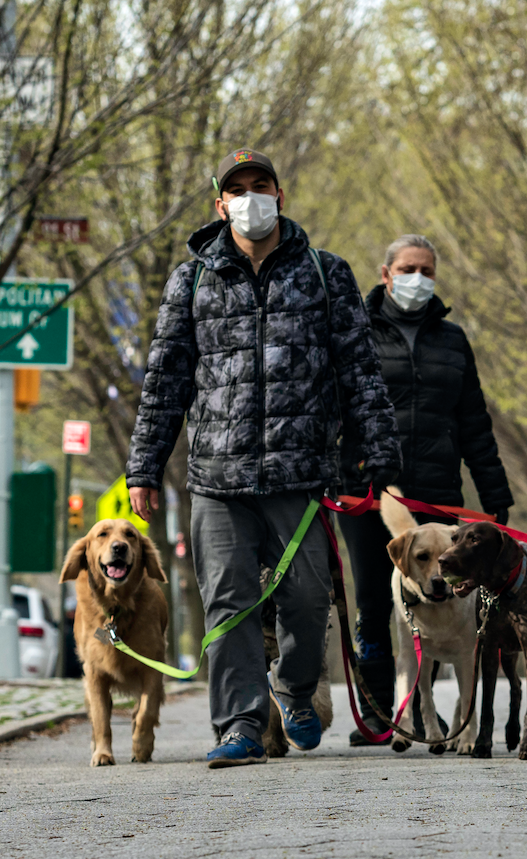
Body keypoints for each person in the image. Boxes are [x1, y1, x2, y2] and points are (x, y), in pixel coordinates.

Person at [126, 148, 400, 769]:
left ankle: (297, 689)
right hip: (216, 482)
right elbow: (165, 380)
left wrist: (380, 459)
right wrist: (144, 467)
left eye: (262, 185)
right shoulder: (191, 279)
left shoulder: (326, 274)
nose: (252, 197)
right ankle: (241, 725)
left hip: (300, 476)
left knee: (306, 599)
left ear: (281, 195)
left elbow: (360, 374)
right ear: (220, 205)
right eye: (238, 189)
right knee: (229, 604)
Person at [339, 234, 514, 744]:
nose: (418, 278)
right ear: (386, 273)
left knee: (446, 596)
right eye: (408, 268)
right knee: (374, 598)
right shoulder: (356, 332)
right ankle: (380, 711)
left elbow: (474, 422)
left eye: (427, 270)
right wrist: (348, 467)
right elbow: (340, 410)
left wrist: (494, 493)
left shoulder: (452, 339)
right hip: (368, 489)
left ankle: (425, 709)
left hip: (438, 490)